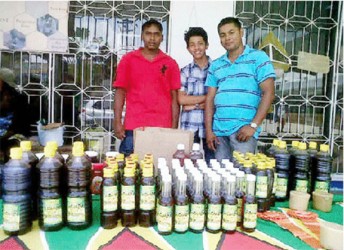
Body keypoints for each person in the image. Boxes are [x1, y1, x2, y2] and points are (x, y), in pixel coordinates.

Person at [205, 17, 276, 161]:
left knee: (243, 178)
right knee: (221, 178)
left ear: (241, 32)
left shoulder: (258, 58)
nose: (227, 38)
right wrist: (209, 131)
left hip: (244, 132)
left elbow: (269, 92)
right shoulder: (216, 65)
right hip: (219, 133)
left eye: (231, 32)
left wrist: (253, 125)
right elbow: (210, 99)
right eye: (223, 35)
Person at [113, 19, 181, 156]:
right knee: (129, 172)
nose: (152, 38)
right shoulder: (128, 60)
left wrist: (174, 128)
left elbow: (175, 99)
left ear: (162, 37)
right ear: (142, 36)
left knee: (159, 170)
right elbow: (120, 92)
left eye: (156, 34)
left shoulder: (170, 63)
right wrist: (117, 122)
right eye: (148, 33)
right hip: (134, 127)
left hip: (162, 127)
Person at [178, 27, 215, 163]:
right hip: (189, 127)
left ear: (207, 45)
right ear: (188, 48)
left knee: (213, 164)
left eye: (200, 43)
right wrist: (207, 100)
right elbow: (181, 99)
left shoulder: (217, 68)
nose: (196, 48)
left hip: (211, 127)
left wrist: (192, 104)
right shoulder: (185, 71)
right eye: (192, 45)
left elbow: (219, 98)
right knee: (187, 165)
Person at [0, 68, 33, 163]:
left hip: (13, 136)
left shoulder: (18, 100)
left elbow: (21, 126)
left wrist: (5, 136)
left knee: (13, 148)